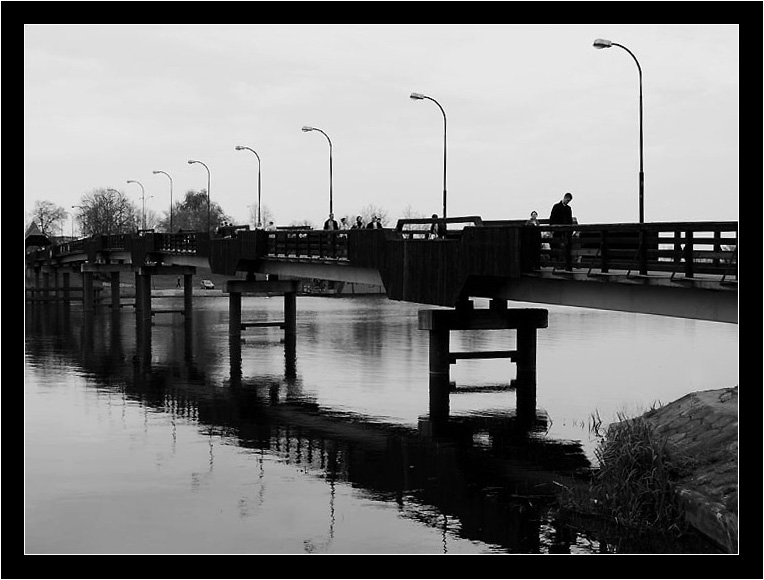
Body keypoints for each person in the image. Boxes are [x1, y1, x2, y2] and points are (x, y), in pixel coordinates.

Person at [549, 192, 574, 270]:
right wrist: (552, 229)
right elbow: (552, 218)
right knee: (557, 247)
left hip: (566, 231)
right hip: (557, 231)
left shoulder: (568, 208)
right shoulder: (556, 206)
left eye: (569, 201)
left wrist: (571, 230)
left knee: (565, 248)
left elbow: (570, 220)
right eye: (567, 200)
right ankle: (557, 264)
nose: (567, 202)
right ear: (565, 198)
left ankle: (565, 265)